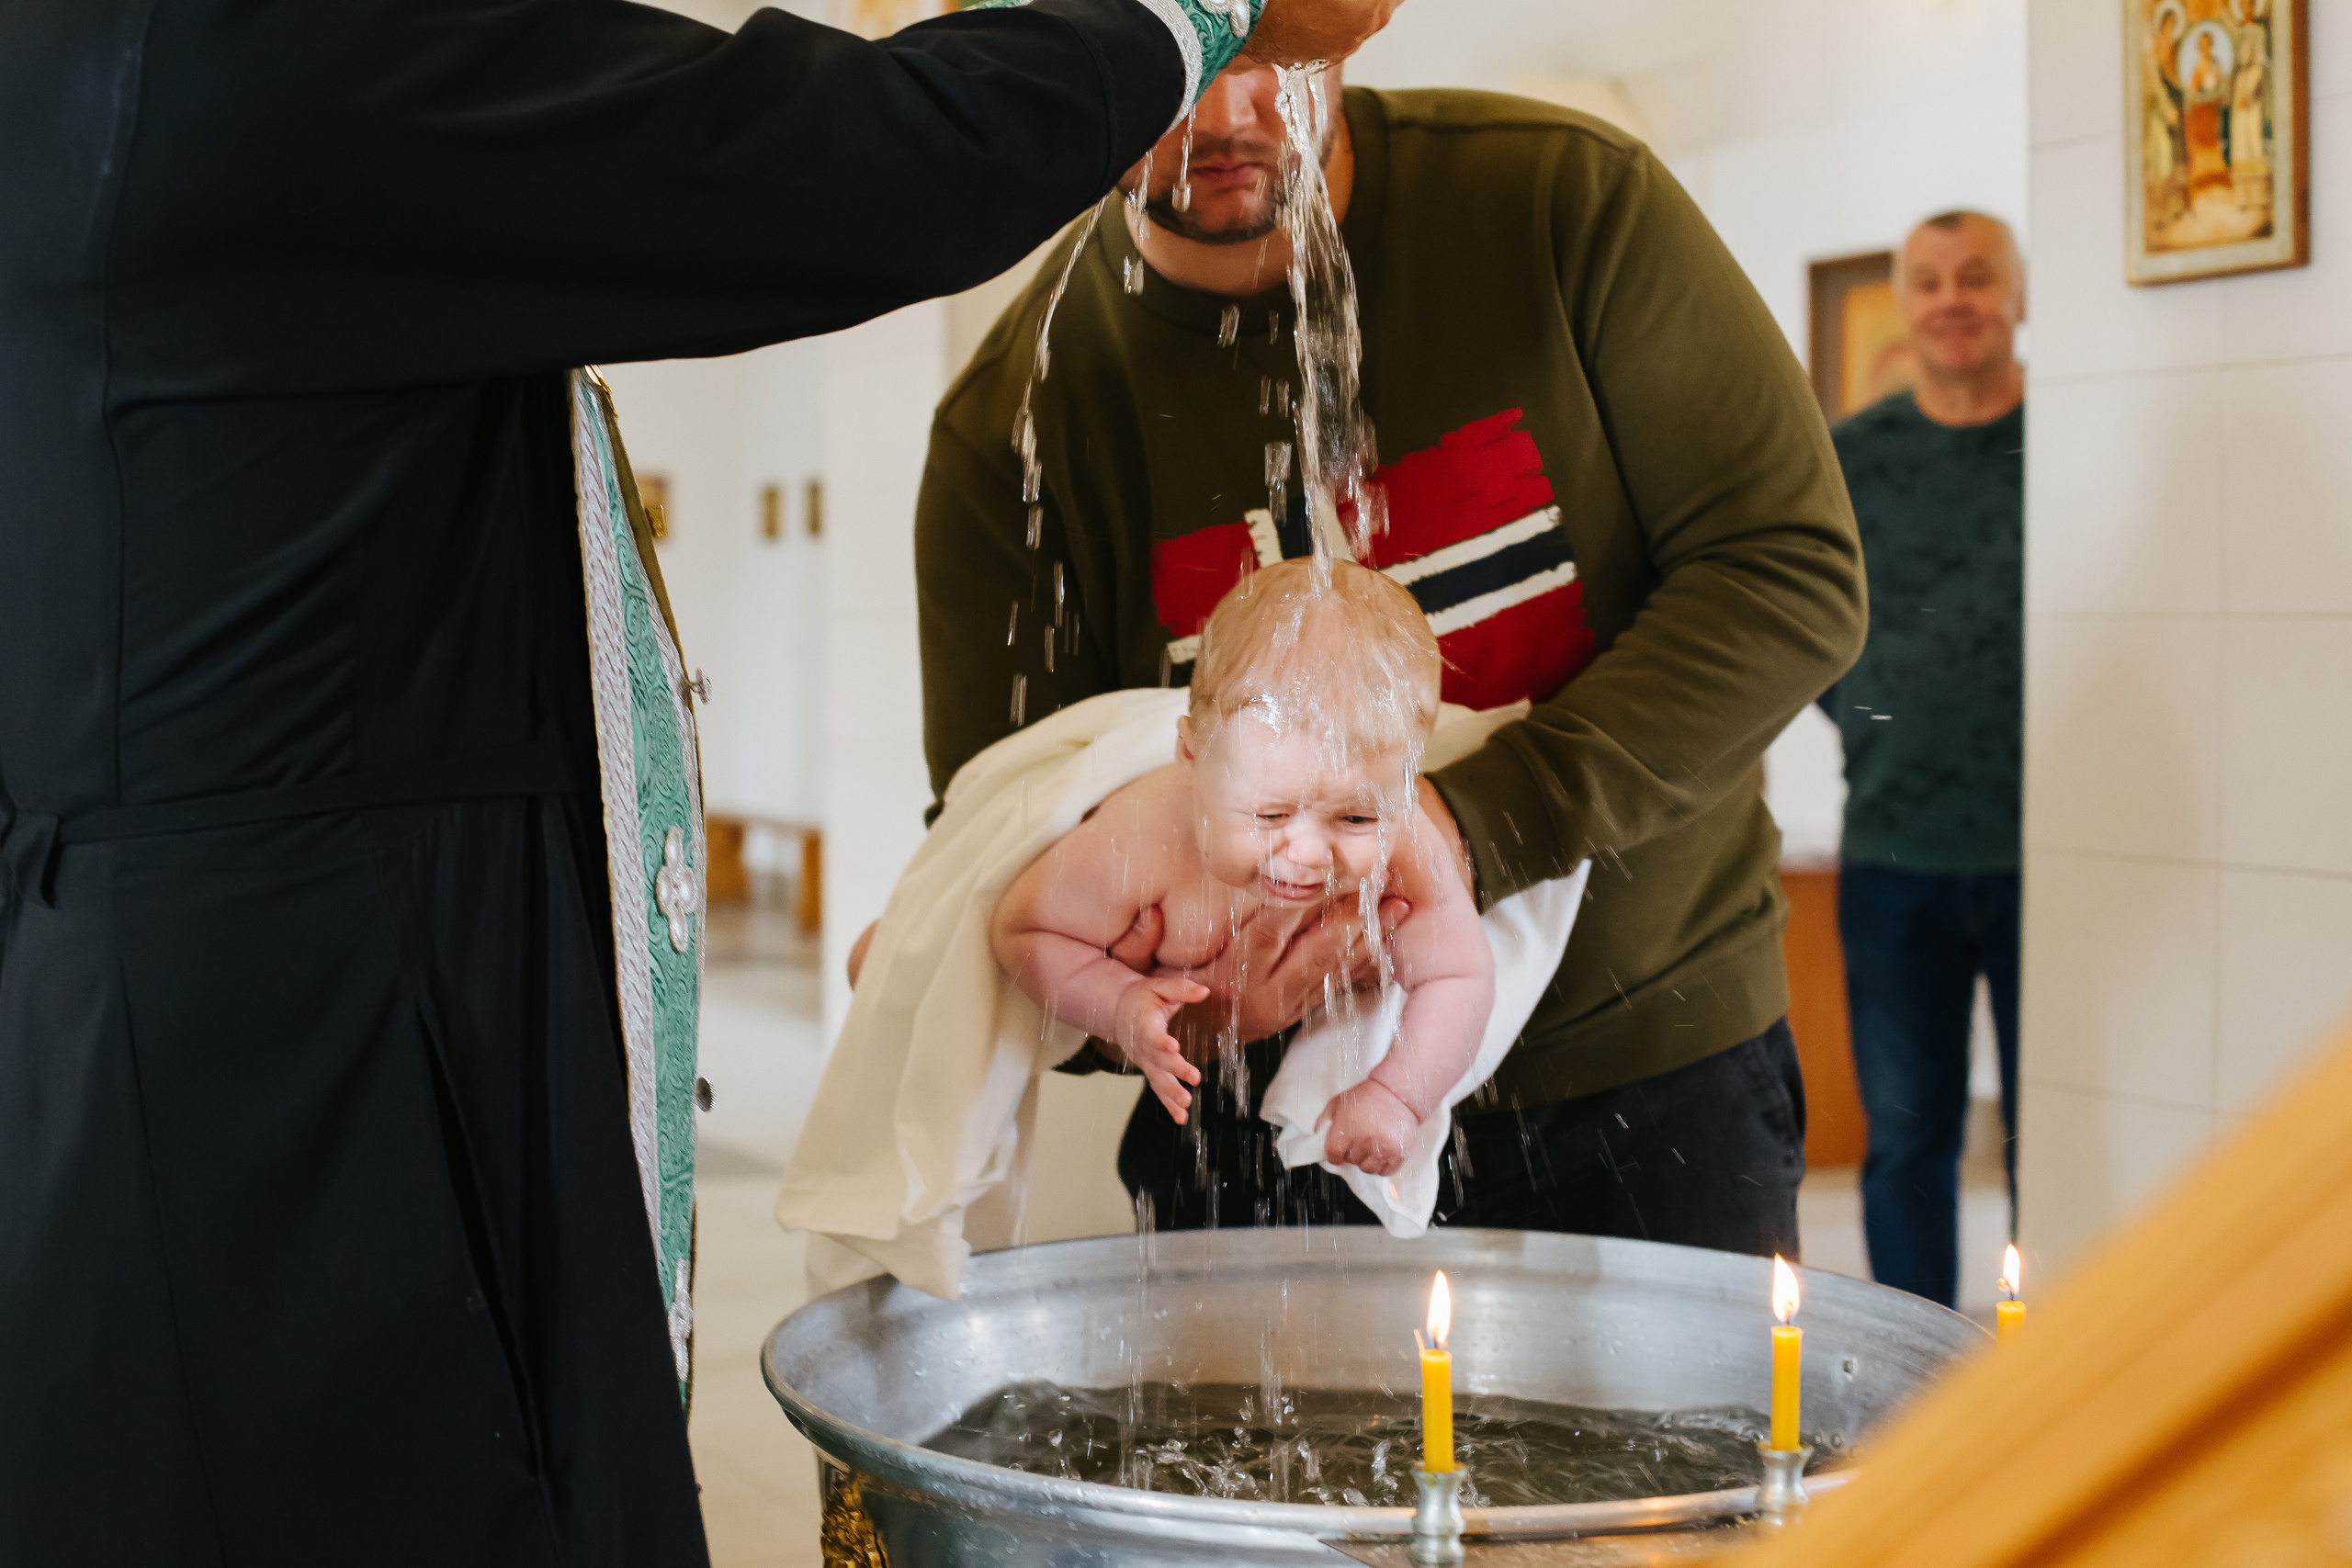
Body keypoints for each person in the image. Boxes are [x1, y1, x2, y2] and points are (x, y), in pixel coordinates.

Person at [0, 0, 1396, 1562]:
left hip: (224, 1004)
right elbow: (839, 159)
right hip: (297, 1077)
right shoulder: (256, 46)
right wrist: (1205, 10)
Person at [914, 62, 1865, 1252]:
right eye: (1157, 53)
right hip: (1257, 1125)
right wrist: (1146, 1002)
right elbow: (1006, 820)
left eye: (1259, 46)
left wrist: (1453, 834)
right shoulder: (1013, 427)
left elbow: (1790, 571)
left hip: (1648, 1063)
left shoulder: (1561, 203)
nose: (1219, 116)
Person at [990, 558, 1492, 1175]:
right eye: (1270, 814)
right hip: (1202, 1097)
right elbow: (1021, 930)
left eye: (1356, 819)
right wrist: (1118, 1003)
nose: (1308, 853)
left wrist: (1397, 1093)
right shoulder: (1140, 840)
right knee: (941, 947)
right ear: (1192, 760)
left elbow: (1461, 973)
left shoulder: (1407, 835)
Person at [1817, 209, 2025, 1309]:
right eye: (1931, 279)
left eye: (1977, 277)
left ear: (2018, 298)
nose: (1953, 298)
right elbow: (1802, 616)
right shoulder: (1849, 459)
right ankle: (1921, 1404)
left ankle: (2047, 1377)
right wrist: (1863, 714)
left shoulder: (2070, 437)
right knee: (1905, 1143)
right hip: (1894, 848)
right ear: (1905, 302)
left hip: (2056, 850)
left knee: (2056, 1132)